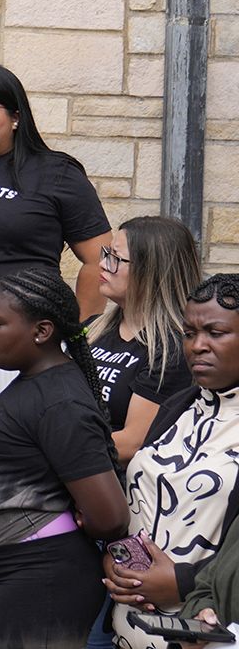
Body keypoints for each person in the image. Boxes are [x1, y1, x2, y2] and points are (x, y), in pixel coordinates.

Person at [0, 63, 112, 633]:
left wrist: (74, 327)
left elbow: (100, 259)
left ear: (15, 116)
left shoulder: (54, 173)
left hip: (14, 351)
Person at [0, 267, 128, 649]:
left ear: (42, 331)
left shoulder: (61, 402)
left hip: (43, 578)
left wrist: (81, 517)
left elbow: (111, 517)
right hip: (15, 575)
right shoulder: (36, 384)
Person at [105, 274, 239, 649]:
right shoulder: (177, 407)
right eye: (189, 332)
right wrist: (116, 561)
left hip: (208, 633)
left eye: (216, 333)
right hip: (130, 627)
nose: (198, 346)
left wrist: (182, 583)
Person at [89, 216, 200, 462]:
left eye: (116, 258)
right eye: (107, 253)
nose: (103, 264)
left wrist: (46, 446)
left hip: (115, 487)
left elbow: (132, 443)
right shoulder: (92, 329)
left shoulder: (171, 349)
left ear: (151, 271)